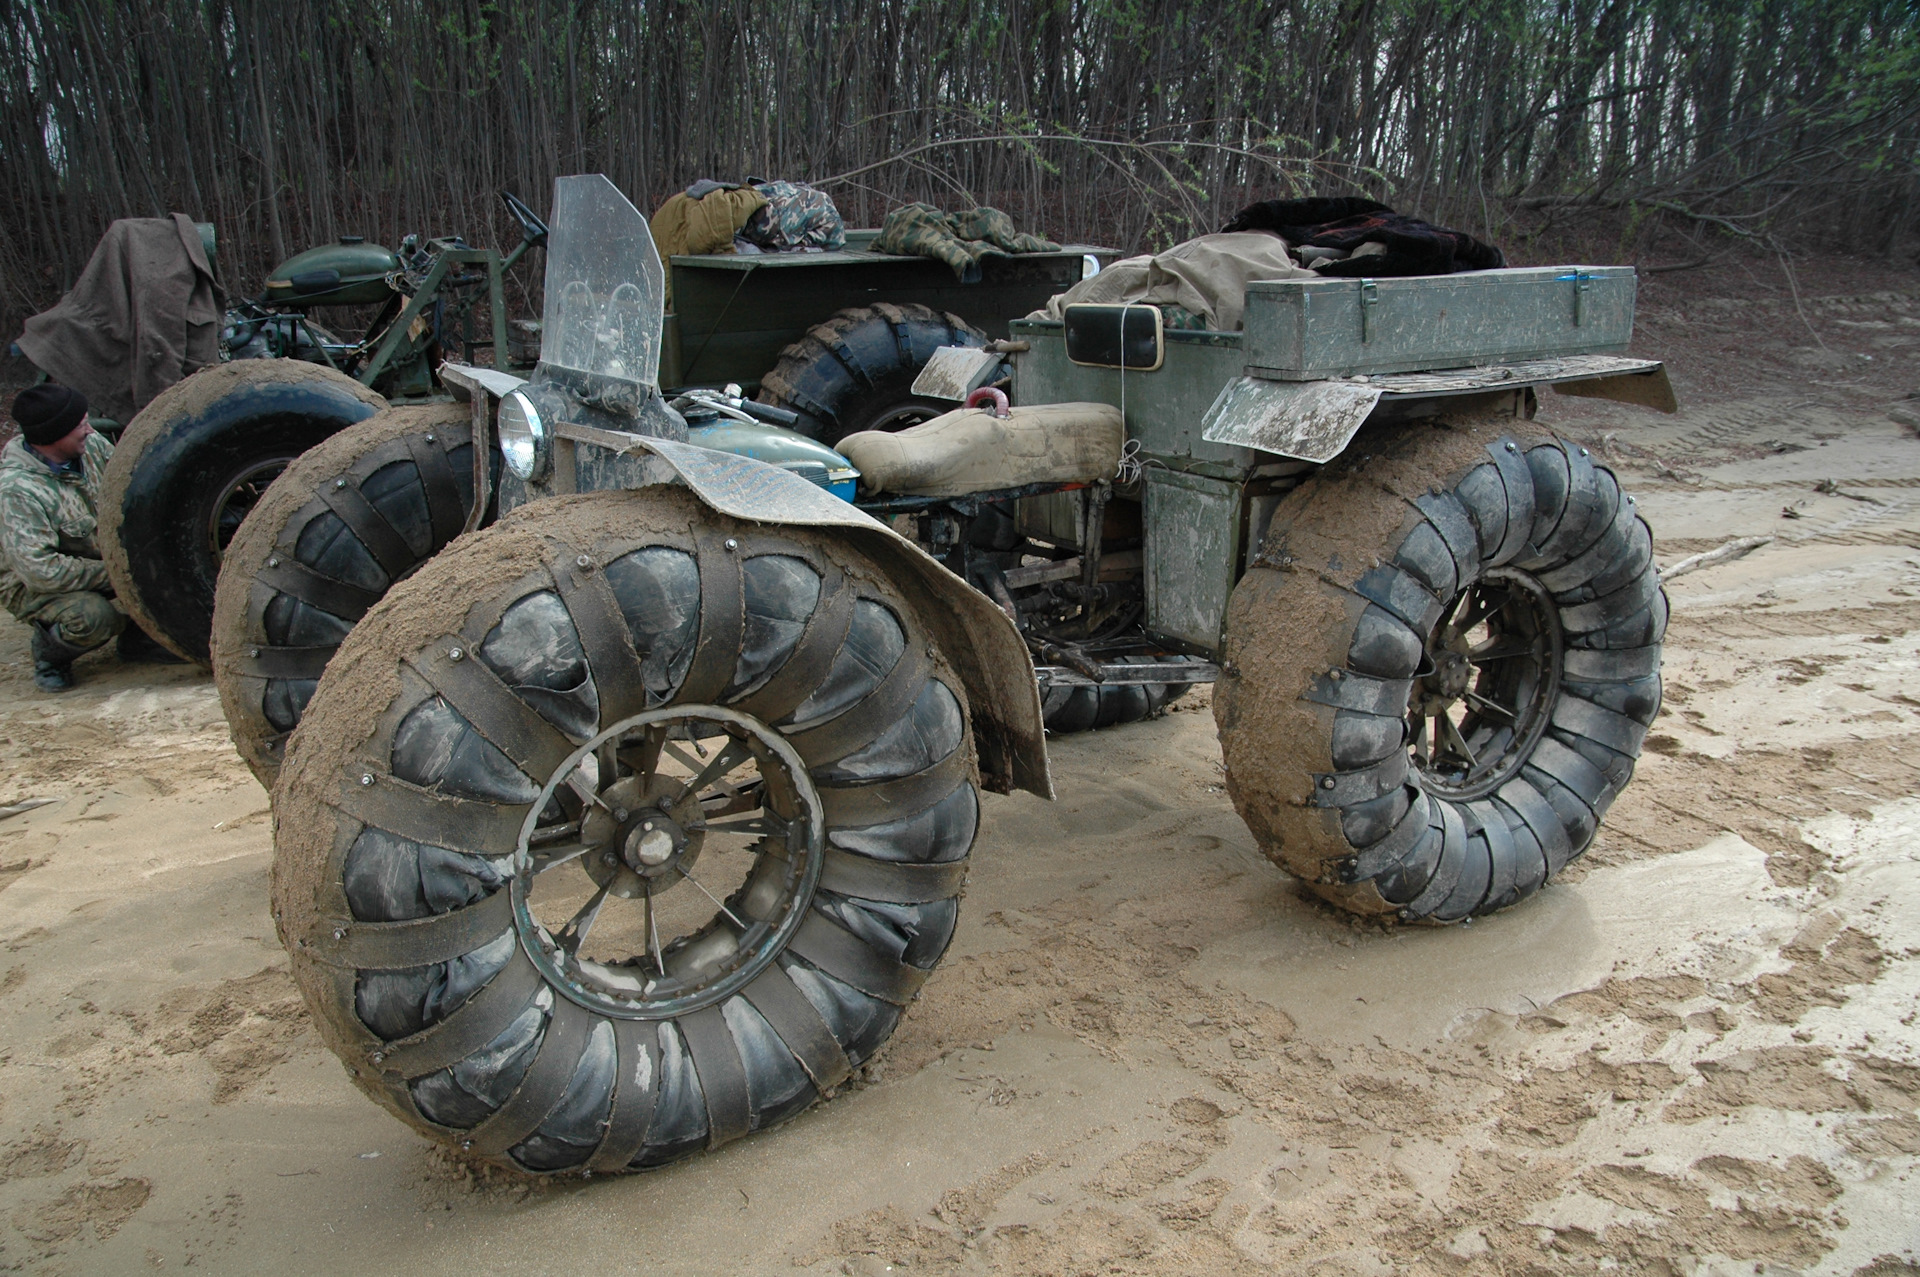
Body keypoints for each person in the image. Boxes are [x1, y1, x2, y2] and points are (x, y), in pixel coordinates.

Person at [1, 382, 176, 691]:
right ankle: (51, 654)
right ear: (53, 435)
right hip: (32, 584)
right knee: (94, 618)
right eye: (79, 424)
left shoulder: (91, 448)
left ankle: (138, 639)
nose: (89, 430)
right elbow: (40, 572)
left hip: (97, 557)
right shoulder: (19, 491)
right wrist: (120, 574)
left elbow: (134, 488)